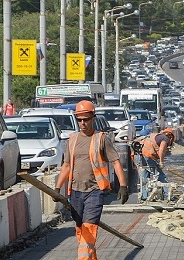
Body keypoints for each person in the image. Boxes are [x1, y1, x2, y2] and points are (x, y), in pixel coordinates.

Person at [55, 100, 128, 260]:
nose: (82, 123)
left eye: (86, 119)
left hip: (94, 192)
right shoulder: (72, 139)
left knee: (89, 228)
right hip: (75, 192)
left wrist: (123, 185)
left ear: (93, 119)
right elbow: (66, 166)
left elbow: (115, 161)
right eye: (79, 119)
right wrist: (57, 188)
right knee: (81, 230)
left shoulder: (101, 138)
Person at [137, 128, 175, 201]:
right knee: (160, 175)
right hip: (148, 155)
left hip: (140, 154)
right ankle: (168, 195)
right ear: (170, 137)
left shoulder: (156, 136)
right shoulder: (165, 139)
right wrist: (161, 162)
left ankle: (144, 196)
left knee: (144, 175)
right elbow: (161, 151)